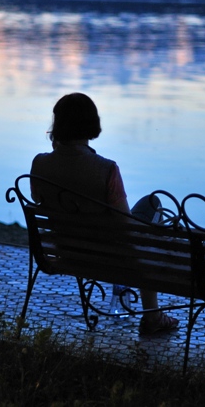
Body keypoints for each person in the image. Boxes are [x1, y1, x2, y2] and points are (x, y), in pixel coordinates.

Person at [30, 92, 179, 335]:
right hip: (110, 256)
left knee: (148, 204)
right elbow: (126, 227)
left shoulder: (40, 164)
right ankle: (153, 316)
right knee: (155, 205)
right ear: (91, 124)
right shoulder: (106, 169)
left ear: (57, 125)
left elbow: (40, 201)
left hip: (66, 251)